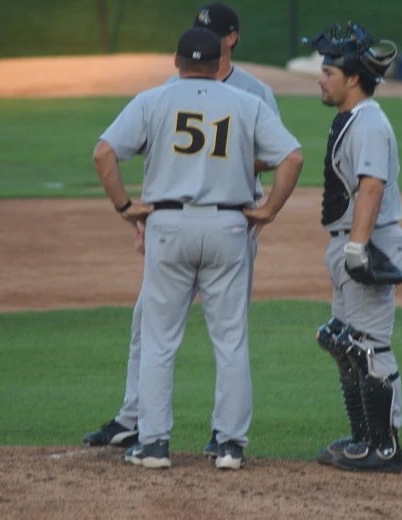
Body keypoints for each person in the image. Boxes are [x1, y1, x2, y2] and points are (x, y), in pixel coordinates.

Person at [92, 26, 303, 470]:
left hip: (168, 226)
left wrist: (126, 206)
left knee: (158, 339)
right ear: (218, 62)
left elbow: (104, 152)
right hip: (229, 226)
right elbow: (292, 157)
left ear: (177, 62)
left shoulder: (154, 99)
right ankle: (228, 445)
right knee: (230, 340)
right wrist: (268, 210)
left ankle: (153, 444)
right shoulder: (247, 102)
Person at [303, 21, 402, 473]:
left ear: (352, 79)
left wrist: (358, 248)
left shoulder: (370, 123)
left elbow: (371, 187)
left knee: (368, 346)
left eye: (328, 71)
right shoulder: (353, 119)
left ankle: (384, 447)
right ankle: (362, 437)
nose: (321, 78)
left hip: (365, 241)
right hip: (349, 241)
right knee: (342, 343)